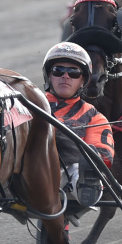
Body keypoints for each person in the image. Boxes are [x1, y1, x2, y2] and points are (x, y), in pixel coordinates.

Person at [42, 42, 114, 208]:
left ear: (83, 81)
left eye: (74, 72)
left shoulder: (94, 117)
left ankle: (87, 185)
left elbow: (104, 155)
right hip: (27, 172)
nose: (65, 76)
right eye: (58, 71)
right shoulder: (29, 104)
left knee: (83, 166)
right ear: (49, 76)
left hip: (66, 179)